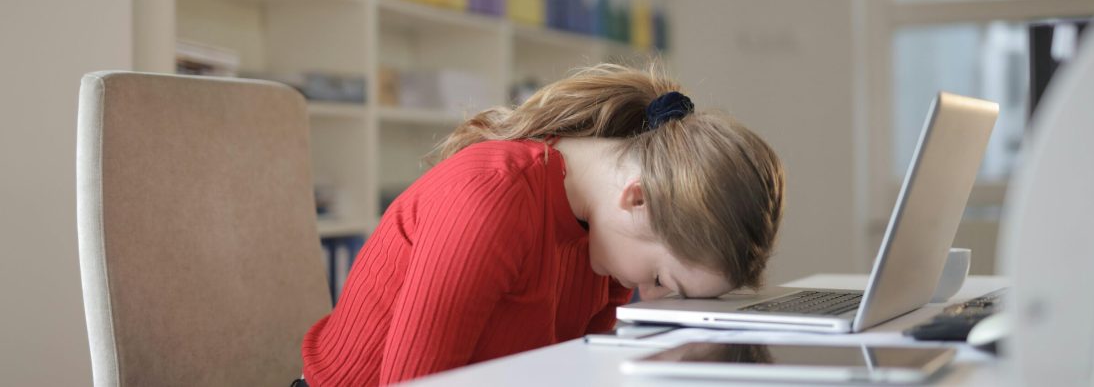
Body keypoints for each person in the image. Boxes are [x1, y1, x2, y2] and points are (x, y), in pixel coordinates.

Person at [299, 63, 786, 386]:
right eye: (661, 281)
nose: (653, 299)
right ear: (637, 198)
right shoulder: (492, 195)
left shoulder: (603, 241)